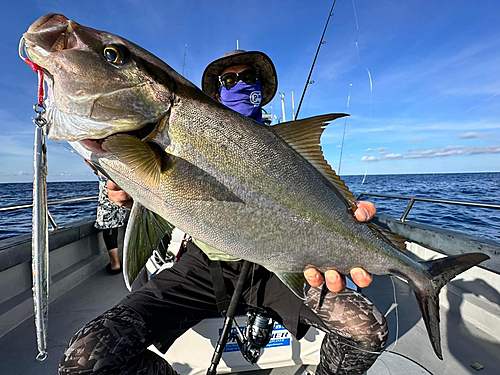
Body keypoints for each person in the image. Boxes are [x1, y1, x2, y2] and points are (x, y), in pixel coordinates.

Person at [59, 50, 386, 375]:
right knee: (87, 358)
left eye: (248, 77)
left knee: (367, 331)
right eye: (230, 79)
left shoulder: (289, 155)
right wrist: (136, 197)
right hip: (203, 264)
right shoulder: (178, 134)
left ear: (261, 89)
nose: (240, 83)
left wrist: (346, 222)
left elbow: (317, 205)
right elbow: (173, 191)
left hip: (275, 266)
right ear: (216, 93)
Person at [86, 160, 128, 274]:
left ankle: (115, 263)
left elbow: (93, 165)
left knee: (109, 227)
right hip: (122, 199)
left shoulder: (104, 168)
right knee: (115, 225)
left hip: (108, 199)